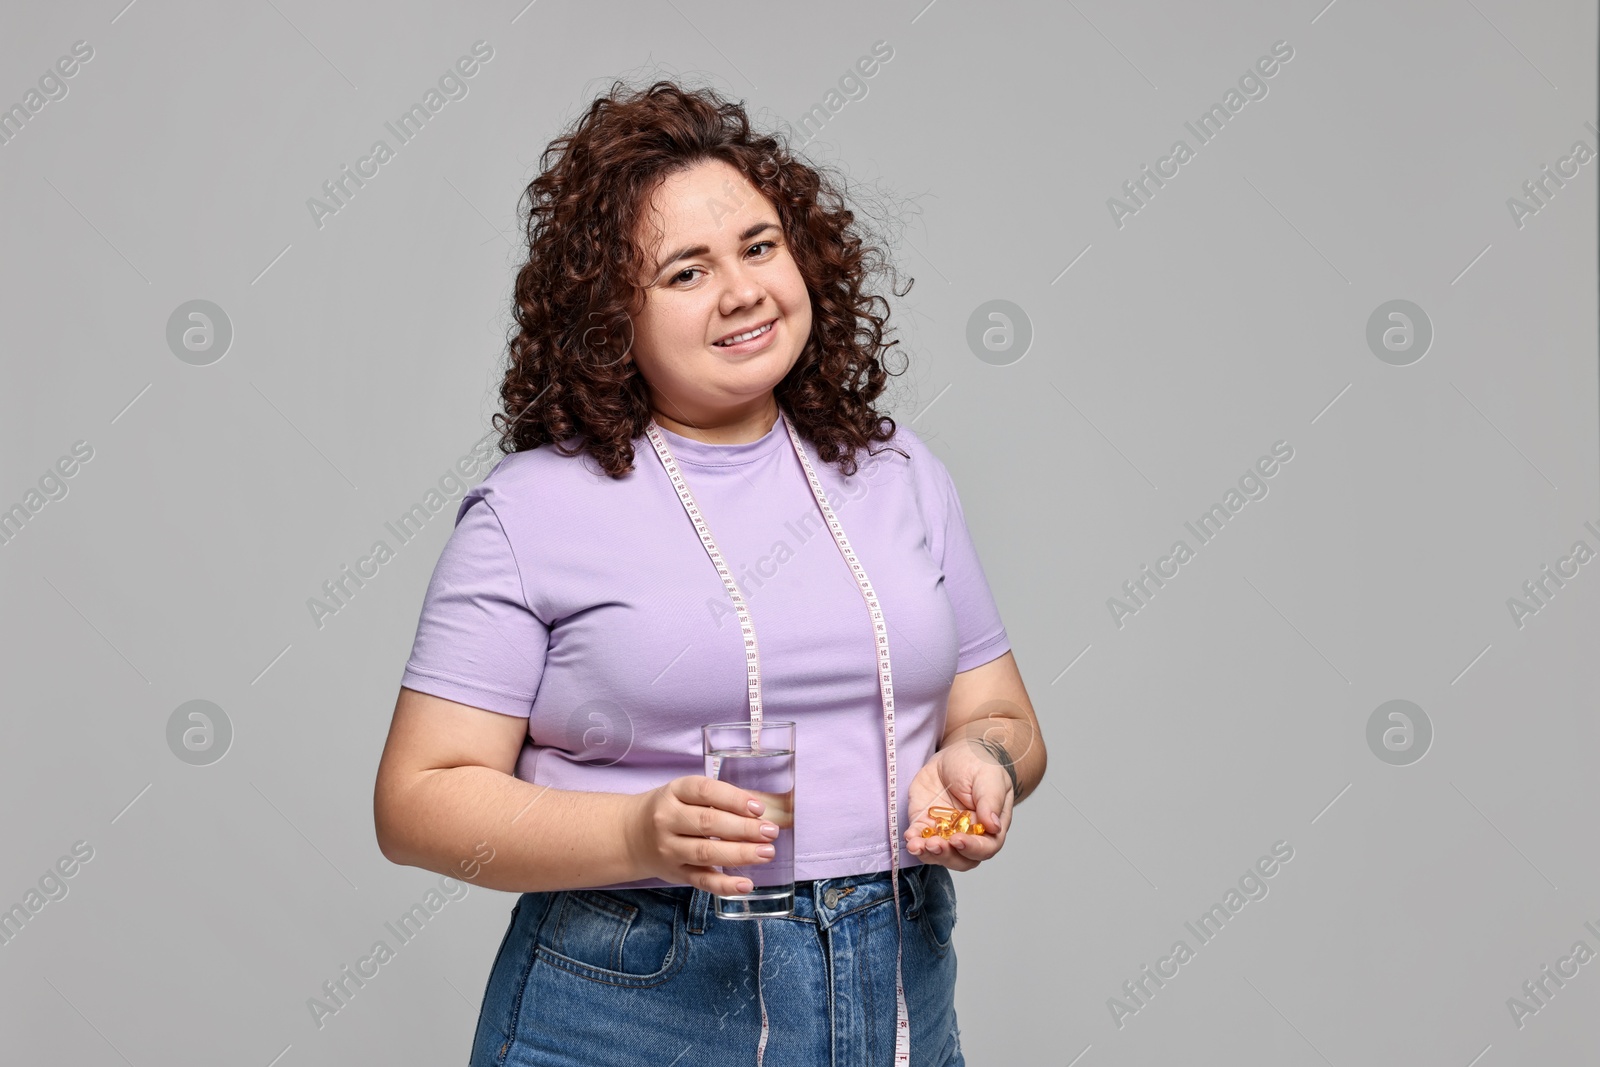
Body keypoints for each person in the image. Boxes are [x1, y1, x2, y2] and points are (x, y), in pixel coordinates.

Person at [372, 79, 1047, 1067]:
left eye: (760, 246)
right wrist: (640, 832)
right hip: (635, 990)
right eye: (685, 272)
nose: (741, 289)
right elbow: (417, 798)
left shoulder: (898, 473)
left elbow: (1004, 718)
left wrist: (980, 762)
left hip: (892, 967)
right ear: (613, 315)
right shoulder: (533, 508)